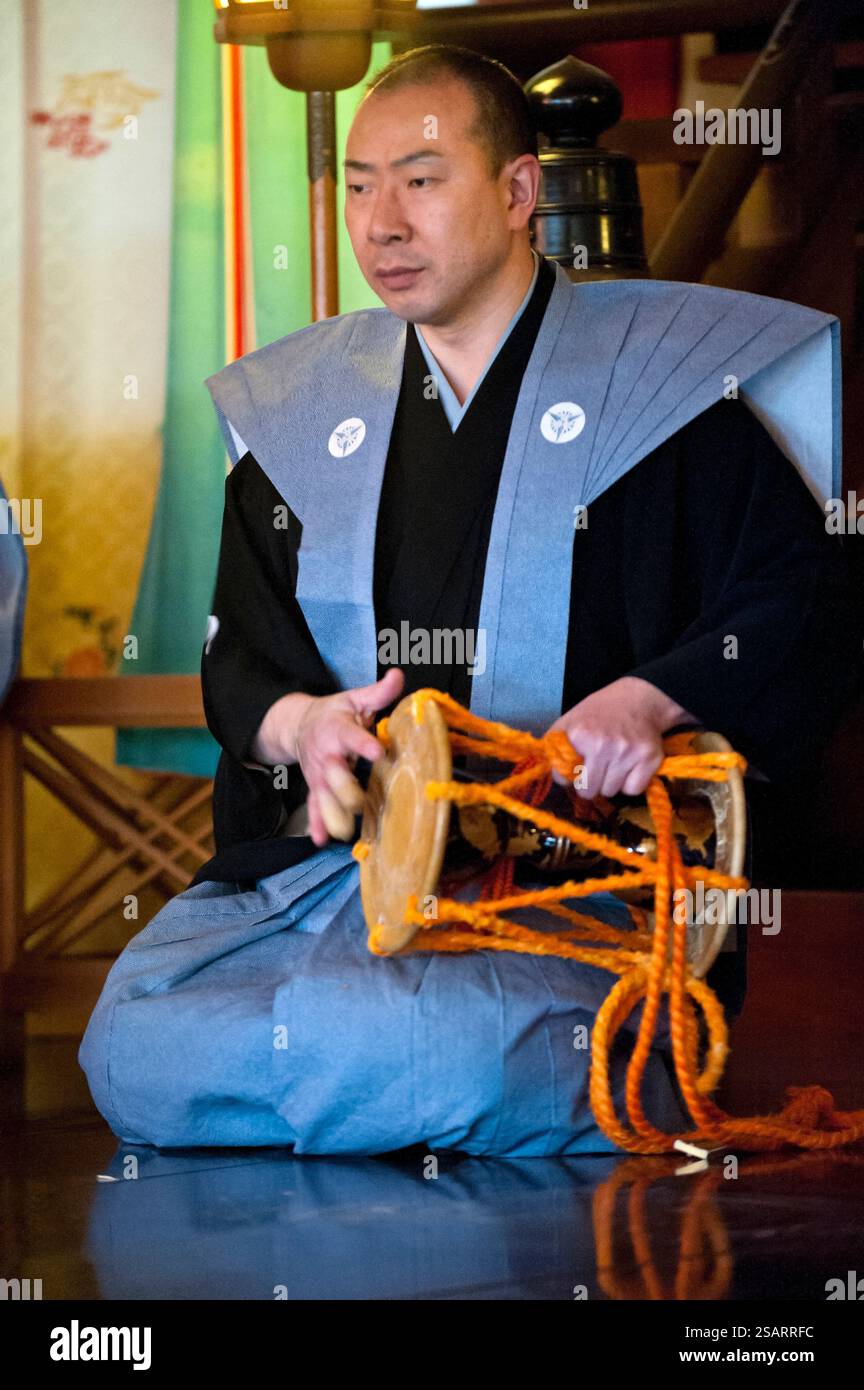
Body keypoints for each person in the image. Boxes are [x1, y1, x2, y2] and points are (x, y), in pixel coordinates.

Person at [79, 44, 860, 1156]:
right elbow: (238, 656)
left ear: (517, 192)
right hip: (338, 887)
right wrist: (304, 725)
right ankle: (425, 1095)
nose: (380, 223)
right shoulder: (302, 413)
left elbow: (803, 600)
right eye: (357, 185)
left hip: (573, 901)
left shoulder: (665, 394)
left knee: (392, 1040)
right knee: (128, 1042)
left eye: (421, 179)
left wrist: (650, 698)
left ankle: (418, 1082)